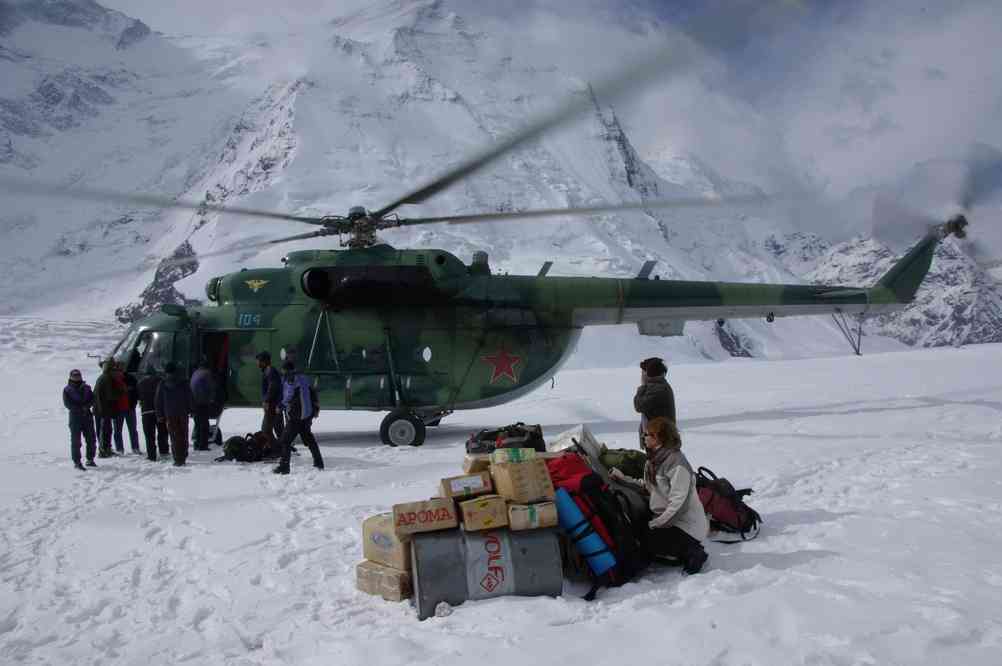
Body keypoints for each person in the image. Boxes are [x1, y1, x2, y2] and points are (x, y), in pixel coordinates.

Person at [610, 416, 708, 574]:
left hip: (686, 527)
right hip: (667, 520)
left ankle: (693, 552)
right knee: (636, 530)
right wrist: (622, 479)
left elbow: (678, 506)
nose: (644, 437)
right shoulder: (654, 459)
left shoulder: (677, 464)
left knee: (645, 538)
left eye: (648, 435)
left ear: (661, 438)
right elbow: (649, 487)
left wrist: (654, 524)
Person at [273, 361, 323, 475]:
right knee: (309, 439)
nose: (282, 373)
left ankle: (284, 467)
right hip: (307, 414)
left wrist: (280, 406)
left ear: (287, 370)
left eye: (283, 371)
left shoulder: (290, 379)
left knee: (285, 440)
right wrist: (316, 408)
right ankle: (319, 462)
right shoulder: (304, 377)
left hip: (296, 415)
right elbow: (313, 393)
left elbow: (288, 395)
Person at [633, 356, 676, 449]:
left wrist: (642, 387)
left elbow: (639, 406)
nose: (641, 375)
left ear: (649, 373)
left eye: (643, 372)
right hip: (656, 438)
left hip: (660, 440)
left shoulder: (658, 388)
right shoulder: (656, 386)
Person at [156, 361, 191, 466]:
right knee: (184, 434)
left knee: (174, 436)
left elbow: (158, 400)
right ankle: (183, 455)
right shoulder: (183, 382)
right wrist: (192, 409)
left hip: (170, 414)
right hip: (183, 413)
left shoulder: (162, 383)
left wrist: (160, 415)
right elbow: (189, 397)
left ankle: (177, 458)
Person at [62, 369, 97, 470]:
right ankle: (77, 462)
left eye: (78, 375)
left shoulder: (87, 387)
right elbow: (67, 404)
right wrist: (80, 408)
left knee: (91, 439)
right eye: (75, 375)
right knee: (76, 441)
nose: (77, 377)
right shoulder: (67, 389)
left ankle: (90, 459)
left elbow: (93, 398)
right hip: (75, 418)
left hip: (87, 417)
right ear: (71, 377)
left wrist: (87, 406)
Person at [94, 357, 125, 456]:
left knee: (105, 429)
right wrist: (121, 392)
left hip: (101, 408)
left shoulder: (103, 377)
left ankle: (106, 449)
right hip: (104, 409)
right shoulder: (107, 378)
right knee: (105, 430)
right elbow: (111, 395)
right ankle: (104, 450)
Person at [137, 366, 169, 461]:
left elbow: (138, 396)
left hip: (146, 411)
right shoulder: (160, 381)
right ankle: (164, 451)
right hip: (159, 411)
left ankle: (151, 455)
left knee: (149, 435)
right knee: (162, 432)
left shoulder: (140, 383)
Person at [257, 351, 284, 444]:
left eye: (259, 361)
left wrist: (266, 400)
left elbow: (273, 387)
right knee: (279, 430)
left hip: (272, 405)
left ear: (264, 361)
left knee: (266, 430)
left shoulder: (269, 370)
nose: (258, 363)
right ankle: (283, 449)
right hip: (275, 405)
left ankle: (276, 449)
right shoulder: (269, 370)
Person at [190, 358, 216, 451]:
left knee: (197, 423)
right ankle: (203, 445)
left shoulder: (195, 372)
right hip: (202, 402)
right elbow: (211, 387)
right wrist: (212, 399)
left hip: (194, 401)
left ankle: (197, 443)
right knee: (204, 424)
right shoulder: (207, 373)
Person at [122, 358, 141, 454]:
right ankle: (120, 448)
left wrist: (134, 403)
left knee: (132, 429)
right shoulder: (116, 379)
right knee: (119, 430)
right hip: (120, 408)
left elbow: (136, 393)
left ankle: (135, 447)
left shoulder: (131, 379)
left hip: (129, 407)